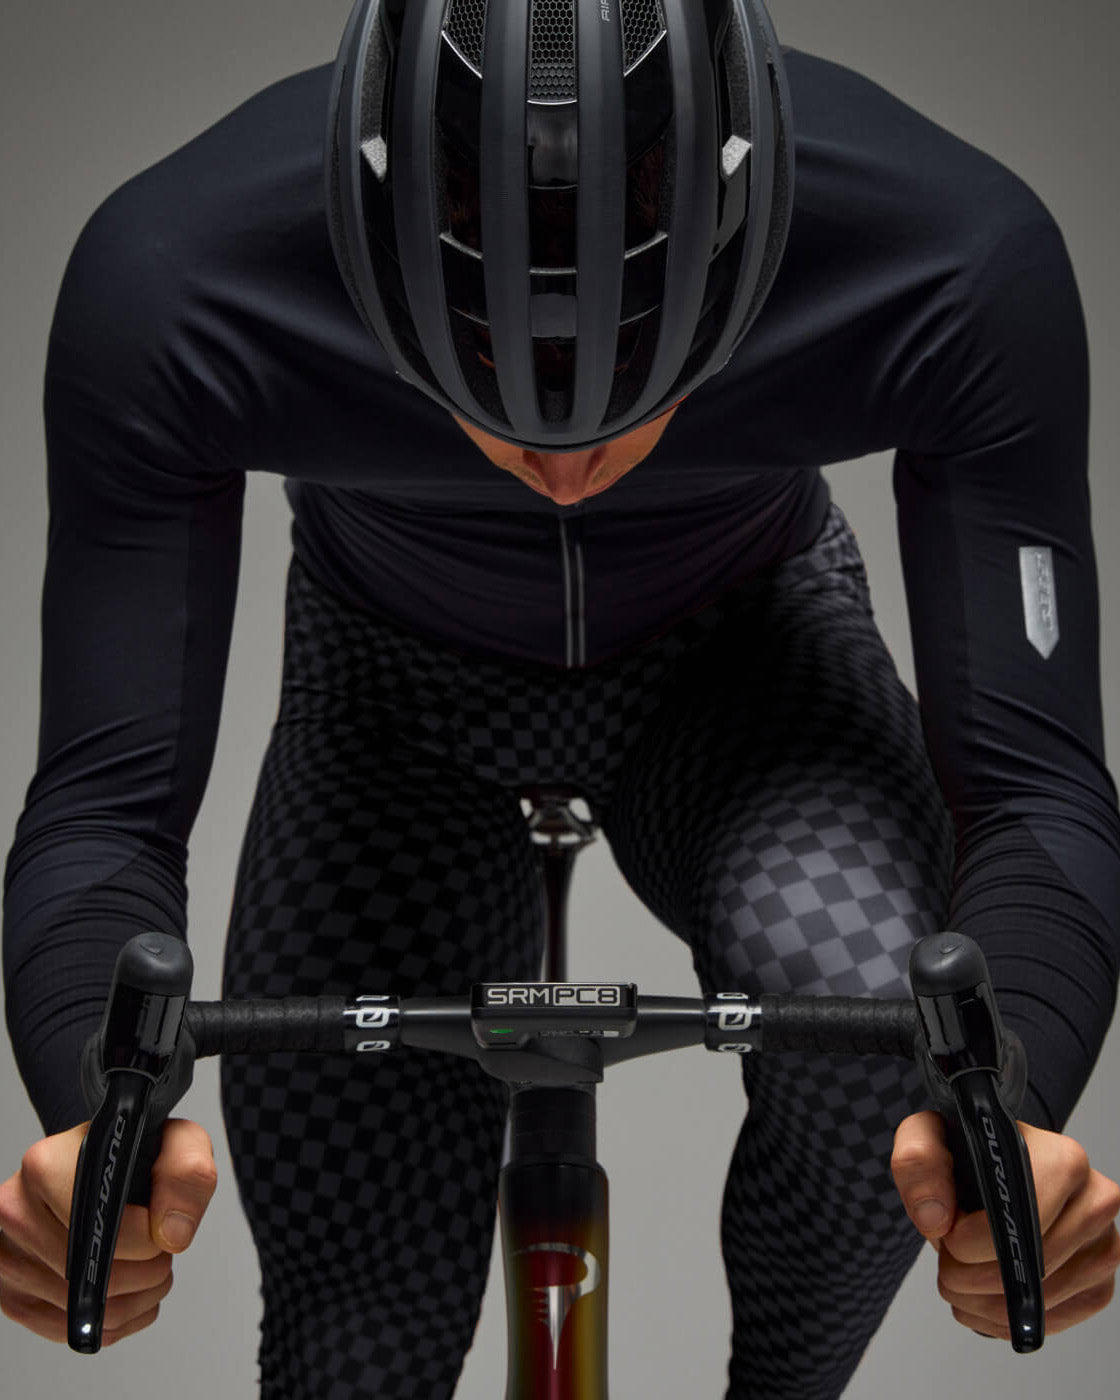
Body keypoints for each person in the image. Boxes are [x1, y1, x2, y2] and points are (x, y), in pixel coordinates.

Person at [1, 0, 1119, 1396]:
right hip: (395, 699)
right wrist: (94, 1120)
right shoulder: (176, 274)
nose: (571, 473)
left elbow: (1032, 790)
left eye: (639, 397)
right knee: (353, 1349)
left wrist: (1009, 1111)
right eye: (482, 392)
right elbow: (104, 811)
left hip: (741, 670)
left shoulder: (951, 254)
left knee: (885, 1059)